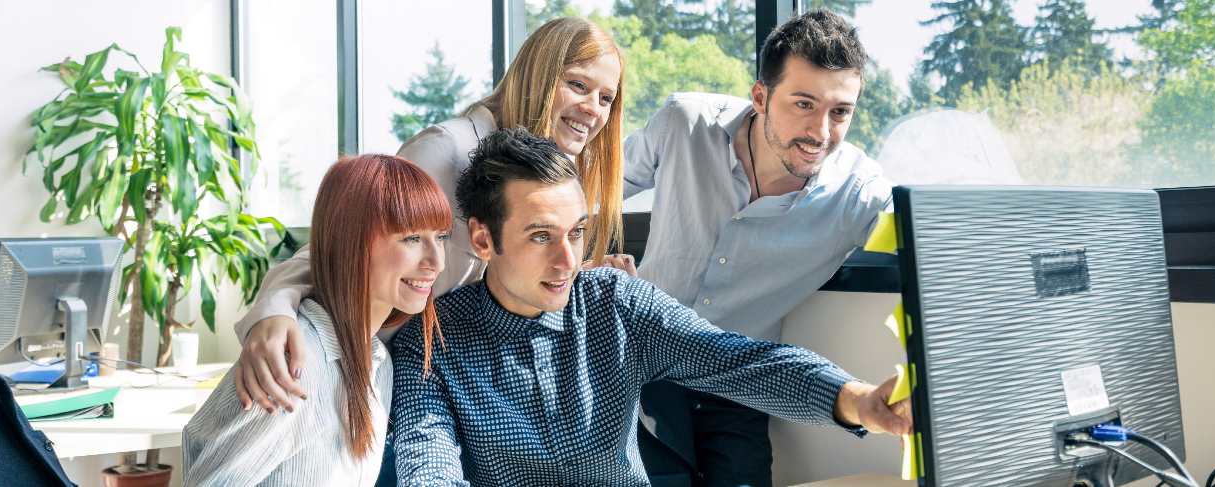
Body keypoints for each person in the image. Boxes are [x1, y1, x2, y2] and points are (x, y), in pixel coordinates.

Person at [388, 128, 909, 486]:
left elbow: (736, 360)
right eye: (541, 236)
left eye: (577, 233)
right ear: (482, 239)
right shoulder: (431, 343)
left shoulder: (617, 304)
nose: (568, 259)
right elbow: (426, 460)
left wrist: (857, 400)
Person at [229, 16, 635, 414]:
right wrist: (274, 312)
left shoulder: (548, 176)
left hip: (436, 384)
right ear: (538, 75)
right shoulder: (447, 151)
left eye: (605, 98)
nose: (593, 110)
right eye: (578, 85)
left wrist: (579, 273)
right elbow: (338, 248)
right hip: (348, 376)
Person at [623, 10, 894, 485]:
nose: (821, 132)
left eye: (840, 112)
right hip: (643, 364)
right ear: (760, 96)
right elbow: (588, 192)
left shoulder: (860, 193)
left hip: (740, 383)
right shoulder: (684, 123)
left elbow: (930, 246)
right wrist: (588, 263)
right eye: (803, 104)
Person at [182, 154, 451, 486]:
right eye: (411, 238)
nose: (436, 261)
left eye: (441, 237)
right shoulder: (295, 366)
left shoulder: (379, 363)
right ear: (352, 242)